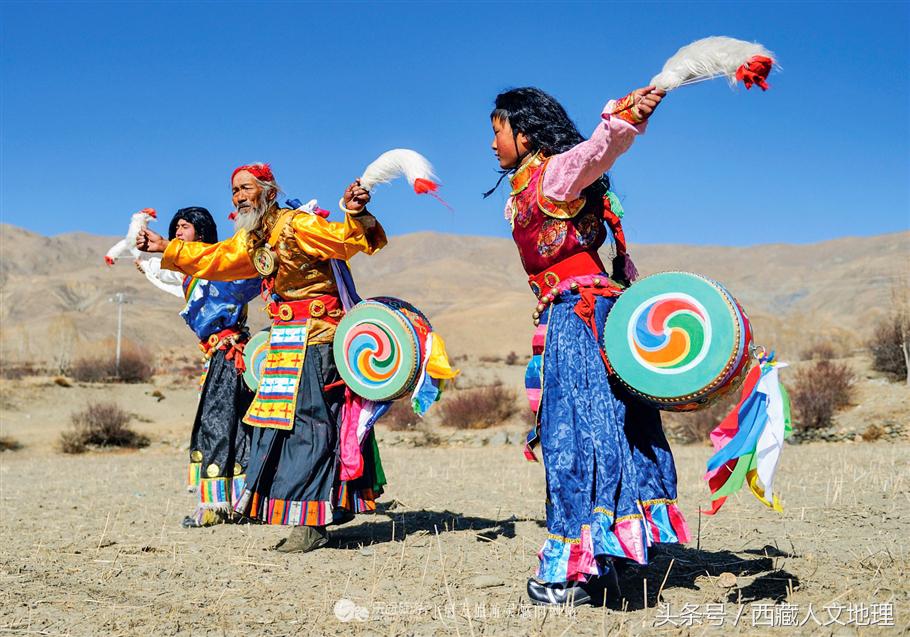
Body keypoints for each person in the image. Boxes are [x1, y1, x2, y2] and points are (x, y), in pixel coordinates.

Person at [487, 86, 690, 605]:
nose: (492, 143)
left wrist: (626, 118)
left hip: (580, 316)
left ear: (524, 132)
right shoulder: (532, 183)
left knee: (576, 435)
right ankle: (612, 557)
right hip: (583, 312)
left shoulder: (555, 174)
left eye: (497, 130)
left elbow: (599, 147)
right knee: (602, 429)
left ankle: (580, 573)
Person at [137, 164, 387, 552]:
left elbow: (344, 241)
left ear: (269, 191)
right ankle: (319, 511)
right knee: (280, 430)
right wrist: (165, 248)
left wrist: (354, 213)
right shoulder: (253, 240)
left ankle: (311, 523)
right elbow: (216, 259)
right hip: (286, 342)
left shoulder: (296, 226)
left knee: (310, 427)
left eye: (245, 188)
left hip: (319, 339)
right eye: (233, 190)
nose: (237, 196)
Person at [136, 206, 260, 527]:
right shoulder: (191, 273)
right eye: (175, 227)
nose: (178, 231)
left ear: (201, 232)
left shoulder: (223, 261)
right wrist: (147, 265)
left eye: (184, 227)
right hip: (216, 355)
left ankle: (216, 505)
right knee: (235, 425)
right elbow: (169, 275)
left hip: (231, 352)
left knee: (218, 423)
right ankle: (244, 501)